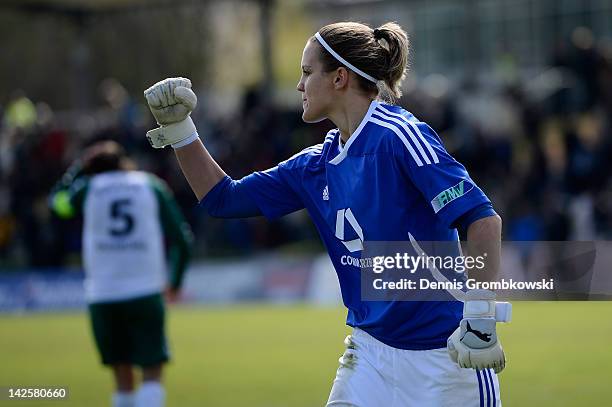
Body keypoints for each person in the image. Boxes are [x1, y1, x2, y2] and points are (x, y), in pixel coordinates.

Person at [144, 21, 510, 406]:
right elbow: (223, 199)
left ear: (339, 78)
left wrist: (480, 316)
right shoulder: (314, 164)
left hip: (445, 358)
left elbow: (483, 220)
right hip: (370, 353)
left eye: (306, 72)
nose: (299, 86)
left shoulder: (399, 135)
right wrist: (181, 132)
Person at [49, 141, 193, 407]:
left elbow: (57, 204)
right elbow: (182, 239)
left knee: (121, 376)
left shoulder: (87, 189)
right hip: (146, 291)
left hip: (103, 295)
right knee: (152, 371)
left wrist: (75, 172)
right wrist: (175, 283)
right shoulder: (151, 185)